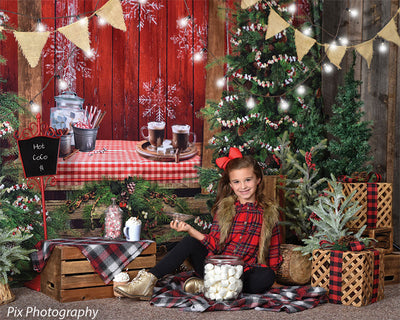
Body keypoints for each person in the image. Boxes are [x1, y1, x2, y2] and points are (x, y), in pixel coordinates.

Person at [114, 147, 282, 300]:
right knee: (190, 241)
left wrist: (272, 278)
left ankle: (209, 287)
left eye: (248, 180)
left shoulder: (268, 212)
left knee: (266, 276)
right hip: (214, 267)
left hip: (241, 273)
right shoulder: (225, 209)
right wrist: (189, 230)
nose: (243, 186)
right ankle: (148, 282)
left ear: (258, 179)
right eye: (237, 182)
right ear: (230, 185)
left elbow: (274, 249)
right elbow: (215, 245)